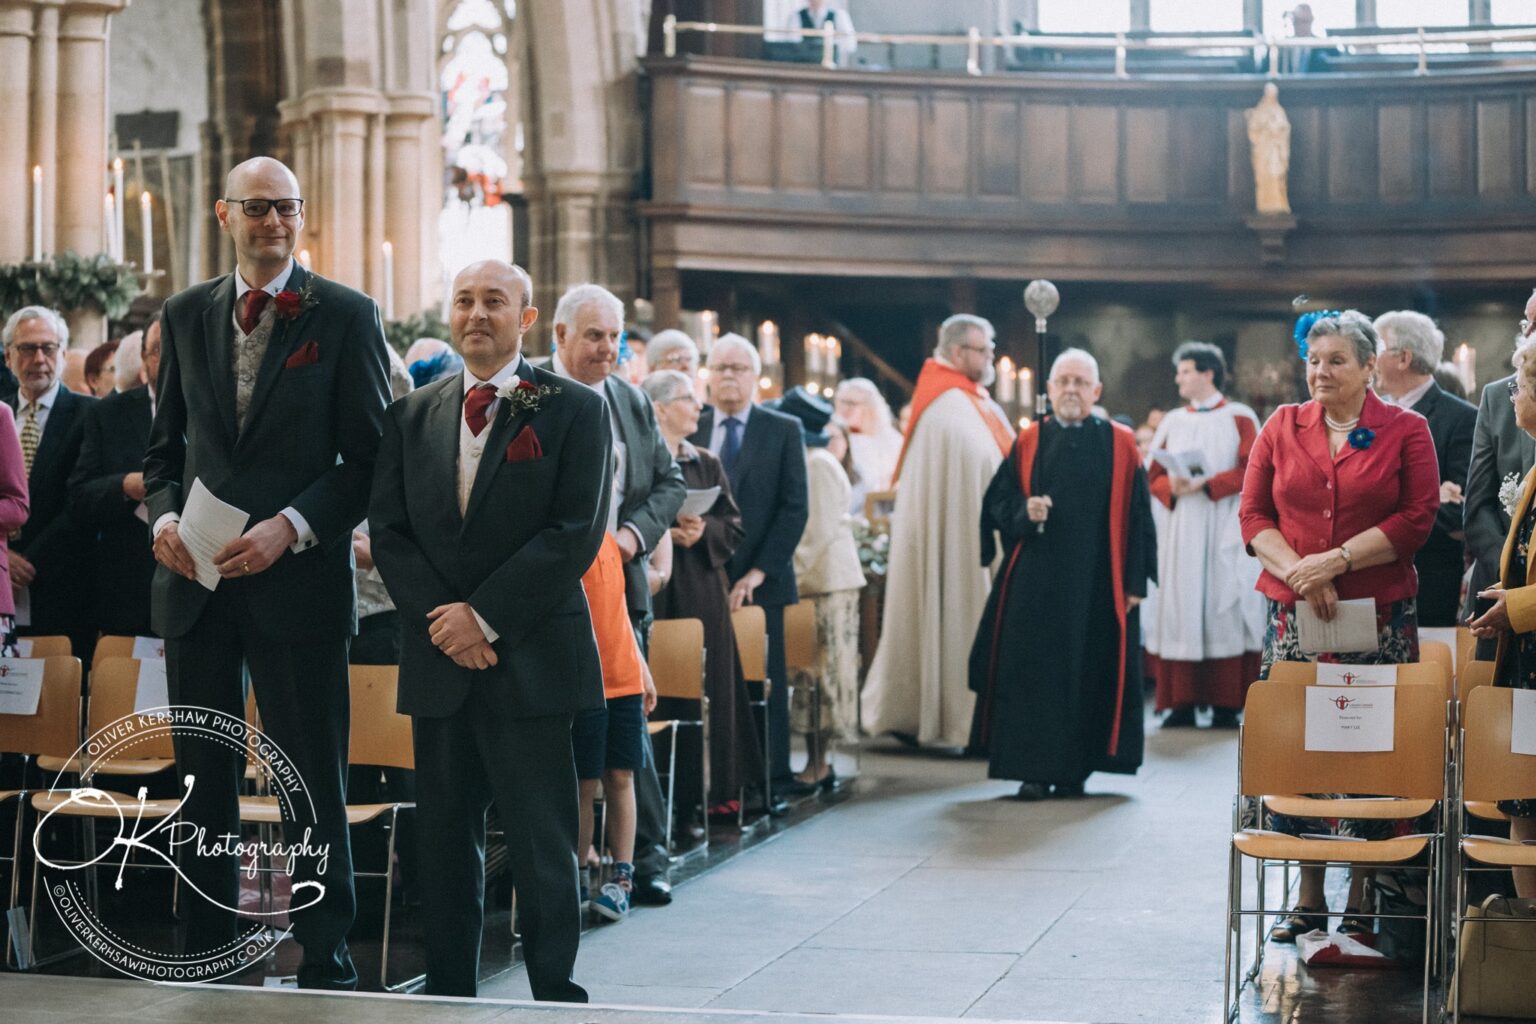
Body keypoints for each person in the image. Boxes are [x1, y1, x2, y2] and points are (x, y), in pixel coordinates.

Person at [143, 157, 390, 988]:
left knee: (309, 772)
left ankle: (325, 947)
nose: (273, 222)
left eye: (286, 208)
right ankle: (203, 942)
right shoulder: (184, 313)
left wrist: (295, 527)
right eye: (257, 208)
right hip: (198, 580)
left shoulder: (347, 315)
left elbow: (368, 460)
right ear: (225, 214)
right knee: (200, 771)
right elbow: (162, 452)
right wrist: (166, 517)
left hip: (298, 580)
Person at [369, 259, 609, 1000]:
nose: (477, 313)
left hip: (530, 652)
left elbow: (574, 532)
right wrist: (448, 623)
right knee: (444, 838)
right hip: (440, 655)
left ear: (527, 319)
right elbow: (390, 530)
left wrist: (485, 616)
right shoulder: (413, 414)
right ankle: (447, 982)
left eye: (494, 302)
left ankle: (552, 985)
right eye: (464, 300)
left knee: (541, 837)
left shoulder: (569, 408)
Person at [1239, 310, 1439, 941]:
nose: (1320, 372)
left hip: (1377, 617)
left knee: (1366, 748)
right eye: (1313, 361)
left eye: (1336, 361)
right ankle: (1307, 898)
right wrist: (1303, 571)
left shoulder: (1407, 429)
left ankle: (1362, 895)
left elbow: (1418, 517)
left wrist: (1340, 558)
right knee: (1301, 749)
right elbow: (1252, 514)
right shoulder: (1281, 425)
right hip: (1295, 618)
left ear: (1369, 366)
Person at [547, 283, 686, 906]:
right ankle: (565, 864)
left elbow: (668, 481)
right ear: (559, 336)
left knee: (627, 746)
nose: (607, 350)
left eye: (614, 338)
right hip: (549, 593)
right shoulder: (532, 394)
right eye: (594, 336)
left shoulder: (630, 401)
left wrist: (633, 536)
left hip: (619, 592)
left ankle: (643, 861)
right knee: (569, 749)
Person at [969, 349, 1156, 799]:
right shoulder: (1029, 439)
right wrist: (1022, 510)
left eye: (1080, 382)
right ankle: (1033, 770)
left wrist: (1134, 582)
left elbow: (1139, 516)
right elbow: (996, 503)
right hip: (1034, 585)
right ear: (1049, 390)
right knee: (1031, 674)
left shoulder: (1121, 442)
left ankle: (1075, 770)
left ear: (1096, 391)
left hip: (1097, 583)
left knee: (1088, 673)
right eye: (1062, 382)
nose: (1071, 390)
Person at [862, 314, 1013, 751]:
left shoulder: (969, 400)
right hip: (961, 546)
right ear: (958, 352)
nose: (991, 358)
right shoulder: (947, 408)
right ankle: (958, 717)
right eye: (984, 350)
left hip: (974, 535)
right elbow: (978, 473)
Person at [689, 333, 810, 804]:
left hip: (764, 578)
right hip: (702, 574)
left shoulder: (782, 429)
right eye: (720, 368)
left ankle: (772, 779)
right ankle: (722, 783)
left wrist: (757, 572)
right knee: (714, 680)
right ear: (708, 376)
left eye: (739, 368)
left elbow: (794, 507)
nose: (729, 377)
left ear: (756, 377)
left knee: (766, 681)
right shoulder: (693, 427)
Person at [643, 369, 763, 815]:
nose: (699, 406)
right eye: (687, 398)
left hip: (702, 585)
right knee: (664, 688)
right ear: (659, 409)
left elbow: (734, 525)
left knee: (708, 683)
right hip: (658, 588)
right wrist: (664, 534)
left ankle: (714, 792)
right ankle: (667, 798)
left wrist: (703, 530)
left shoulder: (706, 462)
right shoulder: (644, 459)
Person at [1145, 342, 1264, 728]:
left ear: (1208, 373)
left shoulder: (1239, 416)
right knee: (1181, 606)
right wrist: (1172, 488)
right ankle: (1180, 702)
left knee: (1221, 606)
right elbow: (1152, 476)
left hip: (1223, 524)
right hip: (1182, 529)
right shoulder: (1173, 421)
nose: (1178, 378)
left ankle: (1225, 704)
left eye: (1185, 371)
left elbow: (1253, 469)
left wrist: (1208, 484)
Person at [1467, 339, 1536, 898]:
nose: (1511, 395)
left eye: (1521, 382)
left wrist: (1515, 607)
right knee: (1525, 806)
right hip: (1527, 661)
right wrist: (1503, 595)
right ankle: (1526, 950)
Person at [777, 391, 864, 790]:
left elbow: (817, 531)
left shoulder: (819, 464)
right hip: (816, 581)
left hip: (827, 582)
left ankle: (820, 764)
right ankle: (814, 761)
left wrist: (786, 573)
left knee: (823, 675)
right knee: (809, 674)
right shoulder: (812, 460)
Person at [575, 529, 659, 921]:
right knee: (583, 783)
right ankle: (576, 875)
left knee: (621, 777)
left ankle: (622, 878)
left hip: (624, 678)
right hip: (585, 682)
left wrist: (643, 670)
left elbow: (621, 612)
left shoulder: (609, 541)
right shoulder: (570, 538)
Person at [1374, 310, 1476, 627]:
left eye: (1374, 349)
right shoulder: (1370, 416)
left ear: (1403, 358)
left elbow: (1460, 509)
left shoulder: (1460, 418)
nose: (1367, 359)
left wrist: (1380, 529)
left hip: (1427, 582)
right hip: (1367, 581)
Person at [4, 306, 96, 658]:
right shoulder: (0, 413)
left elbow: (80, 502)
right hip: (1, 583)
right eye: (27, 348)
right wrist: (3, 558)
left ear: (63, 354)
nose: (39, 358)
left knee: (59, 700)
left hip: (62, 586)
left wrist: (27, 560)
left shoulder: (91, 415)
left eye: (48, 347)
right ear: (9, 356)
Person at [67, 315, 162, 637]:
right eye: (159, 350)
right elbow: (79, 496)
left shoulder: (214, 410)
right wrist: (124, 485)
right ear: (145, 359)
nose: (169, 358)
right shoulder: (109, 414)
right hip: (127, 585)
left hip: (203, 584)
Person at [1465, 291, 1536, 636]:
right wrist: (1511, 574)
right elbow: (1477, 504)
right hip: (1497, 588)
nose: (1529, 334)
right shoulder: (1500, 396)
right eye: (1527, 323)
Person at [834, 377, 902, 501]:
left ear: (869, 406)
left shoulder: (890, 440)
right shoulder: (835, 436)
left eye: (852, 403)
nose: (845, 408)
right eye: (842, 402)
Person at [786, 0, 857, 67]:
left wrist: (830, 48)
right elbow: (792, 42)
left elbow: (850, 44)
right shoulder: (796, 16)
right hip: (804, 65)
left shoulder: (839, 15)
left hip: (832, 66)